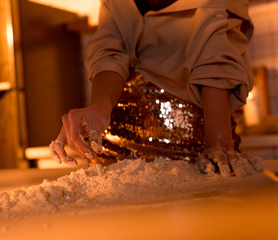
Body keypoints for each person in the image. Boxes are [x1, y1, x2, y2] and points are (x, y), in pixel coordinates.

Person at [49, 0, 263, 177]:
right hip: (114, 159)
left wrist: (219, 142)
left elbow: (215, 58)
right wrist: (100, 107)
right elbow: (110, 54)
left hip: (196, 158)